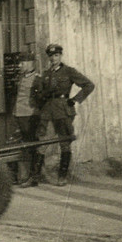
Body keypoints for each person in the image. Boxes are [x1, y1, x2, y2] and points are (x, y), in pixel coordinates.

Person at [24, 43, 95, 187]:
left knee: (64, 143)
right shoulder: (46, 74)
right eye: (51, 56)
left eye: (56, 55)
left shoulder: (69, 71)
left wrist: (75, 100)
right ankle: (34, 178)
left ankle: (62, 177)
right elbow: (40, 93)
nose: (53, 58)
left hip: (63, 111)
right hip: (47, 111)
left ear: (60, 56)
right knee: (42, 142)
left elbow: (89, 85)